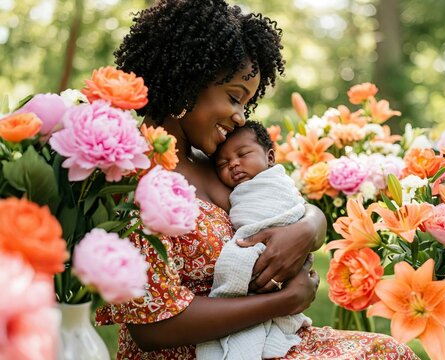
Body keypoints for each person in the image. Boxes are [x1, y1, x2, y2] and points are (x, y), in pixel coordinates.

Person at [96, 0, 419, 358]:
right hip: (193, 352)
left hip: (261, 340)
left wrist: (309, 228)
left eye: (246, 105)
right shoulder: (129, 175)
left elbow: (283, 201)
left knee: (387, 350)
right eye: (235, 98)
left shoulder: (215, 163)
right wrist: (284, 301)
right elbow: (152, 328)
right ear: (188, 80)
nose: (239, 117)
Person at [197, 121, 310, 359]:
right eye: (223, 164)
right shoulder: (235, 190)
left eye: (243, 154)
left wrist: (308, 227)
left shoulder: (275, 183)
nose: (234, 164)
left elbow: (295, 209)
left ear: (270, 157)